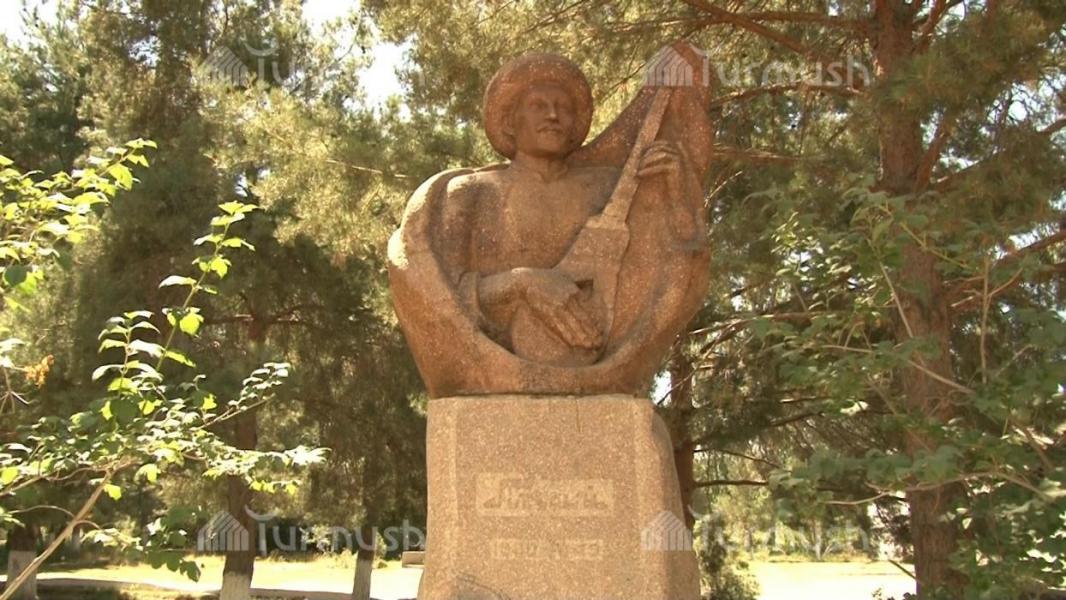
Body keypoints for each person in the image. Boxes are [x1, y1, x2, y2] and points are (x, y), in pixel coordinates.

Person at [388, 50, 714, 396]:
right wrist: (523, 283)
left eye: (564, 108)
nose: (553, 115)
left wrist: (677, 194)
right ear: (510, 122)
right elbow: (444, 301)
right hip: (492, 386)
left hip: (600, 375)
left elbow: (669, 268)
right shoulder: (468, 194)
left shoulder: (608, 187)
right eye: (538, 105)